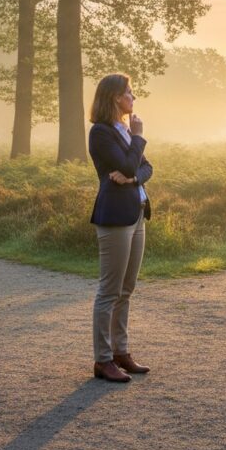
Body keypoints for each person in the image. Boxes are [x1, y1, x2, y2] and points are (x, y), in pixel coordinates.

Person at [88, 73, 153, 383]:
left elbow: (145, 167)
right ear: (115, 97)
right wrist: (138, 137)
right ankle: (103, 360)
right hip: (115, 216)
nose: (133, 97)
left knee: (126, 289)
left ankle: (120, 352)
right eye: (129, 92)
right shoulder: (101, 133)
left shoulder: (122, 131)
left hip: (137, 212)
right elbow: (129, 163)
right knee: (109, 291)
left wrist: (133, 178)